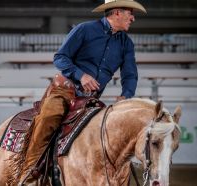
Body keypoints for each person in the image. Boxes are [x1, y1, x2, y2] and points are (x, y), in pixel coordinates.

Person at [19, 0, 146, 184]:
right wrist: (81, 76)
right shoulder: (84, 30)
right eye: (130, 13)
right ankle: (30, 168)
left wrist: (126, 95)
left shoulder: (126, 43)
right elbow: (60, 57)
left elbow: (130, 74)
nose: (133, 18)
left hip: (90, 99)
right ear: (117, 12)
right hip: (64, 90)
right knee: (49, 117)